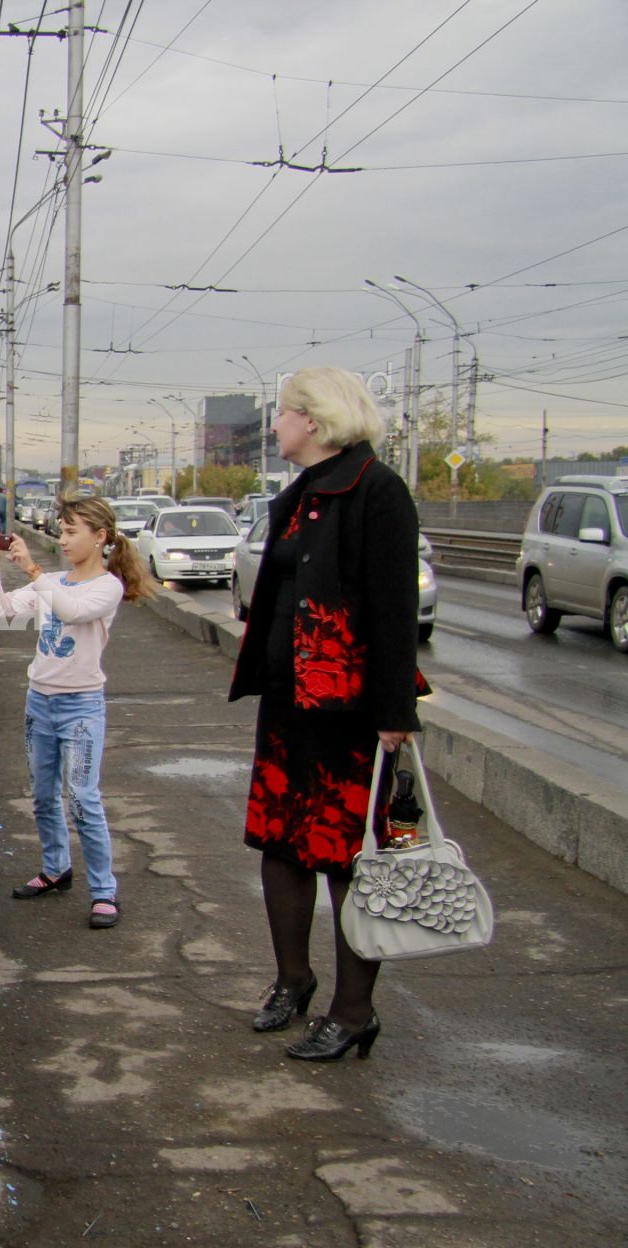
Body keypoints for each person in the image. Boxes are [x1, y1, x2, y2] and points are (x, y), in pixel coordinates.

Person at [229, 366, 425, 1063]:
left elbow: (396, 610)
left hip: (349, 710)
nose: (273, 424)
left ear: (313, 420)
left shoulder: (376, 489)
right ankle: (293, 980)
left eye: (280, 413)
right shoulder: (304, 491)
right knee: (281, 844)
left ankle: (353, 1010)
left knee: (348, 860)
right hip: (289, 703)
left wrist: (394, 713)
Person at [0, 495, 156, 928]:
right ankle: (56, 869)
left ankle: (104, 891)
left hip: (80, 706)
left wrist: (34, 571)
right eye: (61, 531)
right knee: (42, 796)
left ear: (100, 537)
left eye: (72, 531)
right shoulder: (53, 579)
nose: (63, 540)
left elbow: (71, 610)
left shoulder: (106, 587)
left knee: (82, 799)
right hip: (39, 699)